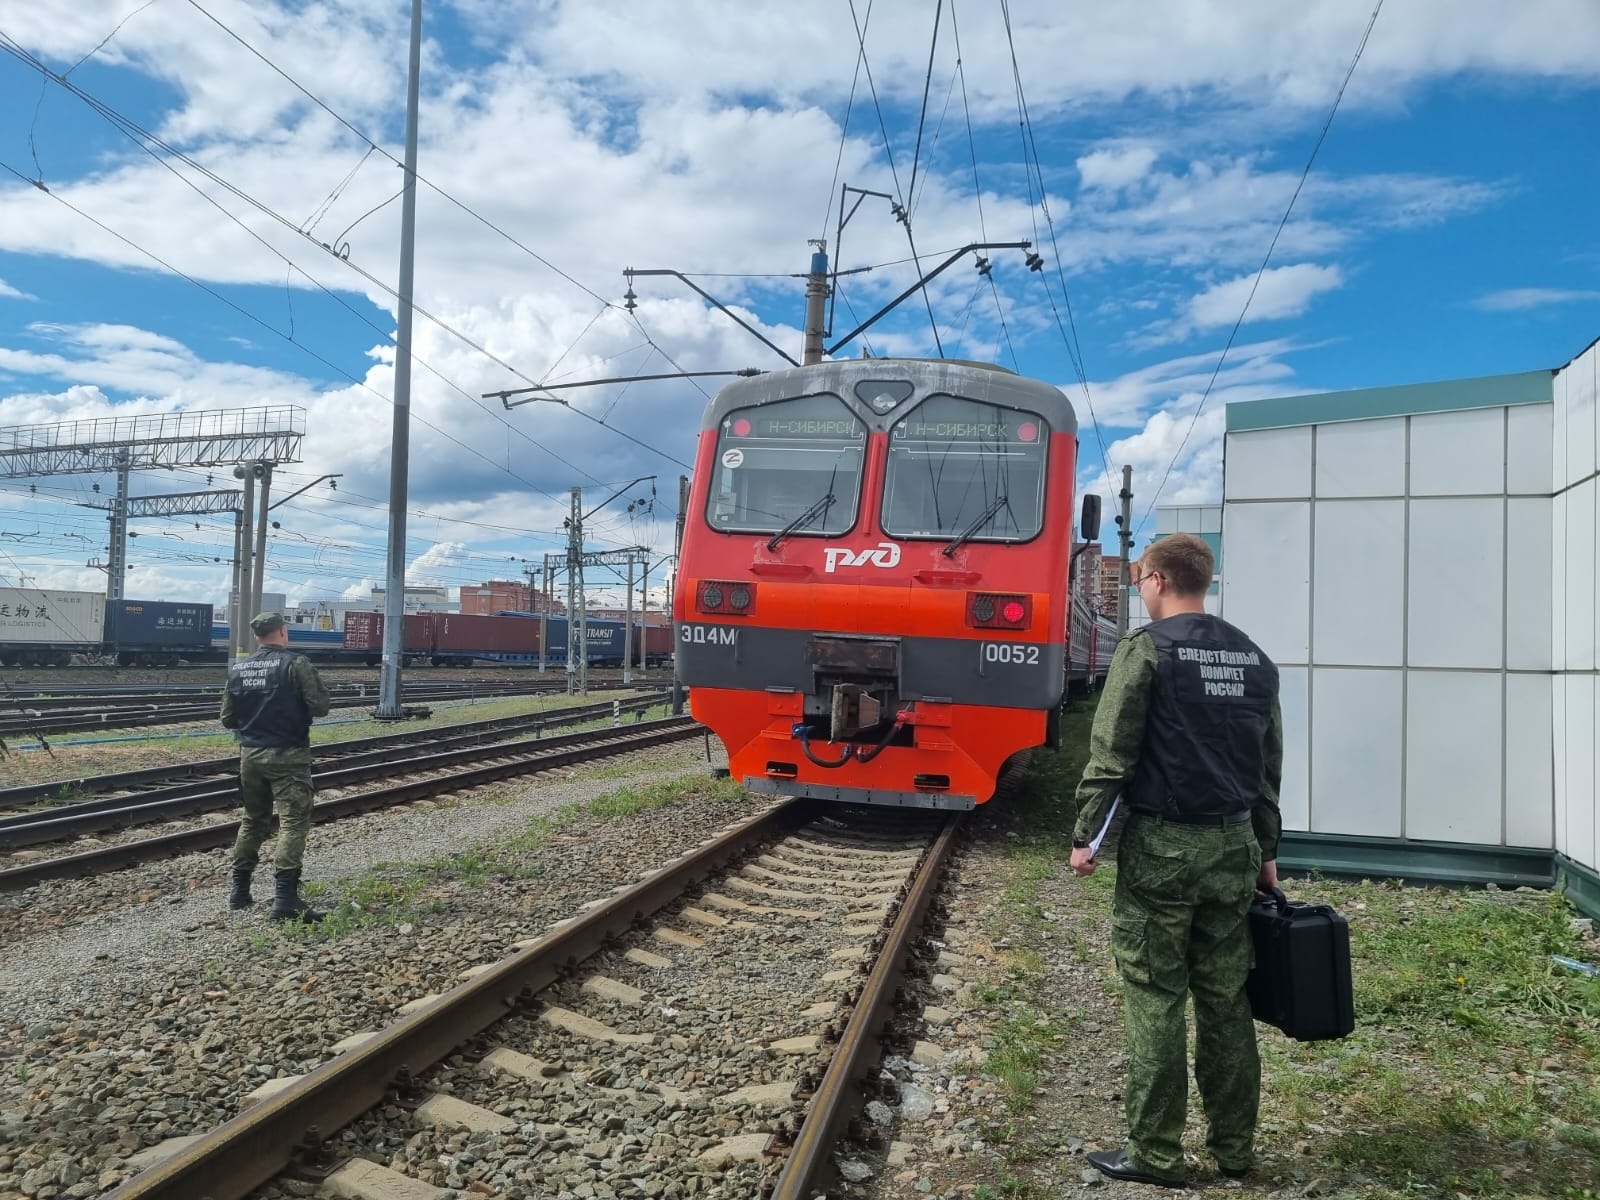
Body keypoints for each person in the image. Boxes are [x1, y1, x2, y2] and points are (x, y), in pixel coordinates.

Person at [1069, 532, 1283, 1189]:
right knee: (1225, 999)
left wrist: (1087, 837)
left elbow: (1113, 752)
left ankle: (1156, 1154)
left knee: (1157, 995)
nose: (1139, 588)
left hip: (1164, 849)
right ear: (1204, 581)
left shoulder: (1147, 650)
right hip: (1232, 847)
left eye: (1140, 579)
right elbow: (1266, 768)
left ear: (1159, 579)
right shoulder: (1254, 658)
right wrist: (1265, 853)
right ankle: (1235, 1149)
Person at [220, 611, 332, 921]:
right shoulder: (296, 664)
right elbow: (320, 706)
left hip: (250, 756)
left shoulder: (239, 668)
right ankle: (285, 899)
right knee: (293, 821)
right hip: (287, 755)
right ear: (282, 632)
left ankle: (239, 893)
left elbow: (228, 718)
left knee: (253, 820)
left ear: (257, 635)